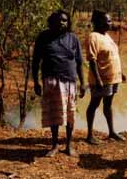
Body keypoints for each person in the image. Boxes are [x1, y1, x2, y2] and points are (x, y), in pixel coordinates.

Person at [32, 10, 85, 157]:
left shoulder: (73, 38)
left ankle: (68, 145)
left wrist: (83, 83)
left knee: (70, 114)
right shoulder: (43, 37)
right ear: (51, 21)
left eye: (65, 20)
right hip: (51, 81)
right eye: (59, 20)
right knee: (53, 115)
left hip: (70, 81)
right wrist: (36, 81)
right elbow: (36, 61)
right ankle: (54, 145)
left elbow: (79, 62)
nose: (62, 23)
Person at [85, 10, 126, 144]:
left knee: (108, 105)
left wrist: (121, 73)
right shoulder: (93, 37)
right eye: (108, 20)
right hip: (101, 79)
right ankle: (90, 135)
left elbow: (113, 56)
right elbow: (92, 60)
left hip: (113, 78)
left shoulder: (107, 36)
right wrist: (98, 80)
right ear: (98, 22)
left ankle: (112, 132)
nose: (110, 23)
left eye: (110, 20)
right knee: (94, 104)